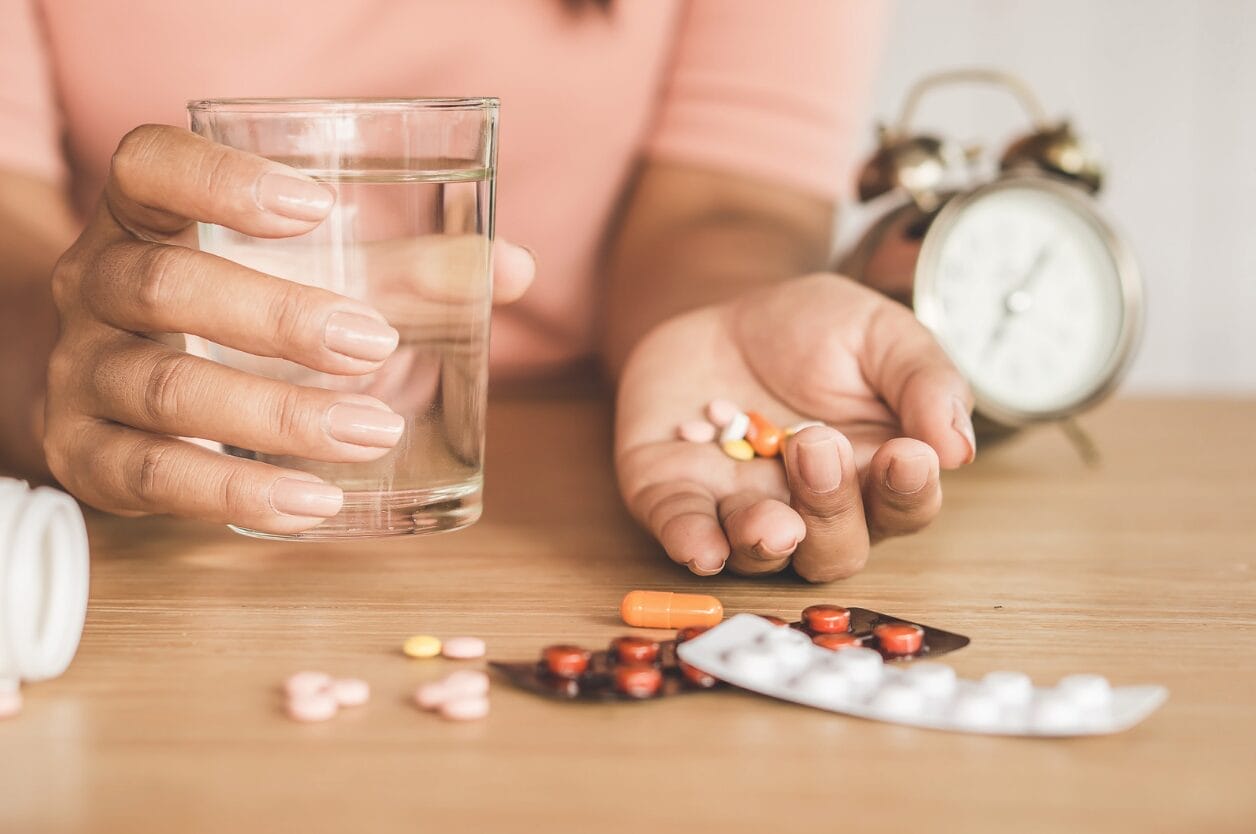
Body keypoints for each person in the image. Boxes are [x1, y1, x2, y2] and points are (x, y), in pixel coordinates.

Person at [0, 0, 974, 582]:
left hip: (564, 487)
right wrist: (73, 361)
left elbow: (722, 200)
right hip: (156, 517)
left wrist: (713, 328)